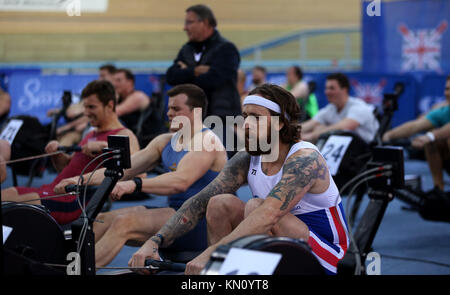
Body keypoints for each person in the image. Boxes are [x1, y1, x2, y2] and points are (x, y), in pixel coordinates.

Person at [129, 84, 349, 275]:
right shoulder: (247, 158)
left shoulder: (305, 158)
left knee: (256, 207)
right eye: (245, 117)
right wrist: (154, 241)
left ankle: (223, 264)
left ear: (280, 123)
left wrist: (209, 254)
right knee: (219, 203)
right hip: (286, 244)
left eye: (256, 118)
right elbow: (199, 203)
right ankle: (222, 273)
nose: (246, 124)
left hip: (329, 255)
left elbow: (268, 215)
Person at [54, 84, 227, 267]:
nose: (169, 113)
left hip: (200, 224)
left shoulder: (207, 141)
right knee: (101, 220)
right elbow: (123, 170)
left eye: (176, 109)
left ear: (196, 113)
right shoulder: (164, 141)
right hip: (175, 215)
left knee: (124, 223)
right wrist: (79, 180)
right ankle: (57, 265)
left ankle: (75, 271)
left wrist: (134, 184)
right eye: (168, 108)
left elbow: (180, 181)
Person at [1, 80, 140, 225]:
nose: (86, 113)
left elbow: (136, 171)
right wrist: (57, 153)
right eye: (85, 107)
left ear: (110, 105)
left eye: (92, 107)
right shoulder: (91, 133)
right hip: (55, 189)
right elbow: (65, 167)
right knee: (7, 194)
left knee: (12, 206)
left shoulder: (124, 134)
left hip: (73, 200)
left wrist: (104, 147)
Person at [165, 4, 241, 150]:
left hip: (220, 121)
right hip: (192, 122)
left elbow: (212, 80)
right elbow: (171, 76)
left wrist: (186, 72)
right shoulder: (187, 49)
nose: (185, 27)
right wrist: (194, 71)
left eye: (189, 22)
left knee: (220, 168)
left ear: (205, 22)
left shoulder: (226, 49)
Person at [383, 76, 450, 192]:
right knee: (432, 143)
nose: (447, 93)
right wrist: (387, 135)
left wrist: (430, 136)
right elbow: (415, 125)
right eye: (447, 89)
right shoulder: (445, 110)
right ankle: (439, 190)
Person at [301, 73, 379, 144]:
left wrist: (310, 136)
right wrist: (291, 132)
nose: (327, 92)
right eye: (326, 88)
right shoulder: (331, 108)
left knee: (319, 130)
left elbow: (346, 126)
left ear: (344, 89)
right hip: (346, 152)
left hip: (365, 153)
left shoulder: (359, 107)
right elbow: (309, 124)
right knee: (318, 127)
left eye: (332, 88)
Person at [113, 68, 151, 133]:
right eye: (114, 81)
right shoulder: (121, 98)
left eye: (118, 80)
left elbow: (114, 113)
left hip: (147, 138)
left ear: (130, 82)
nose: (115, 84)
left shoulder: (138, 96)